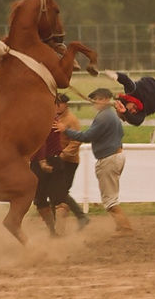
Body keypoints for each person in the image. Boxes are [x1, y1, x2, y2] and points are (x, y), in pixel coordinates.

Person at [53, 88, 133, 237]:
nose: (94, 102)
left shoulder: (104, 116)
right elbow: (119, 134)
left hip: (109, 158)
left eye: (96, 98)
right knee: (111, 196)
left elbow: (87, 136)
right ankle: (122, 226)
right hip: (116, 155)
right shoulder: (111, 115)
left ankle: (125, 228)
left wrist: (65, 130)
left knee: (109, 199)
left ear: (103, 99)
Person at [31, 94, 89, 237]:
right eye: (57, 103)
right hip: (59, 159)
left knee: (58, 193)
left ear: (65, 105)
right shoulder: (57, 118)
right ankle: (70, 220)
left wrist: (63, 155)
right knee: (59, 193)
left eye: (60, 103)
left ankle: (76, 219)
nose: (58, 106)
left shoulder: (70, 120)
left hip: (67, 160)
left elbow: (76, 140)